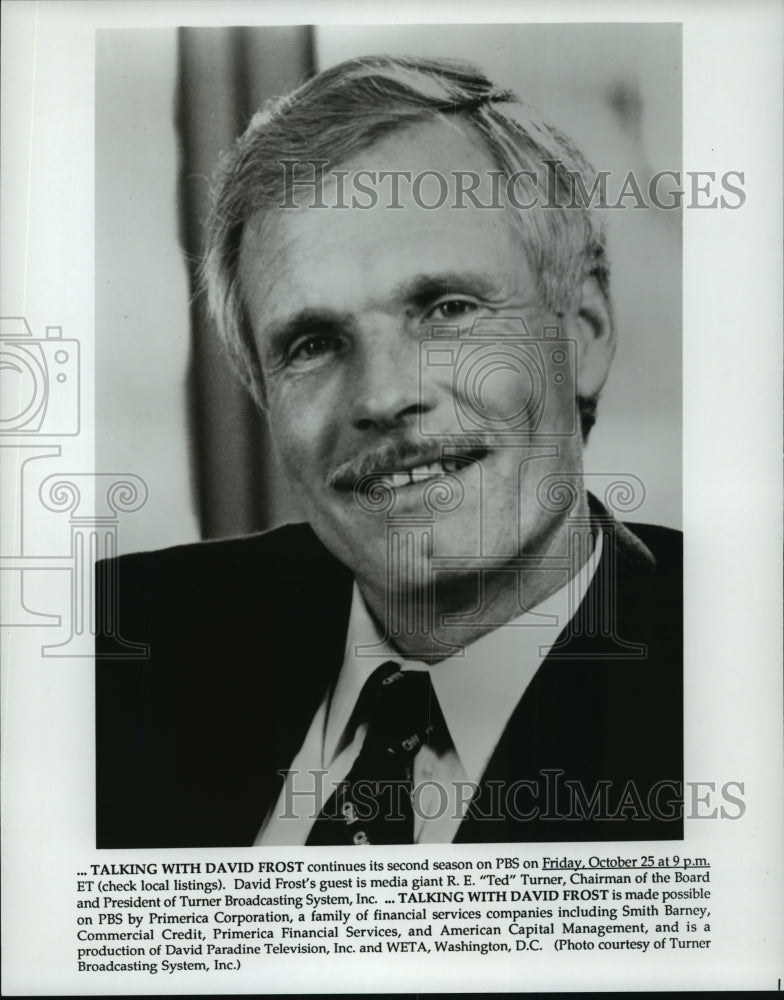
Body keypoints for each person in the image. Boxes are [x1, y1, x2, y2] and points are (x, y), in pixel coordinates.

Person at [96, 55, 682, 848]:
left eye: (445, 308)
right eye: (312, 344)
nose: (381, 396)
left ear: (584, 337)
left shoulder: (732, 678)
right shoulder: (110, 650)